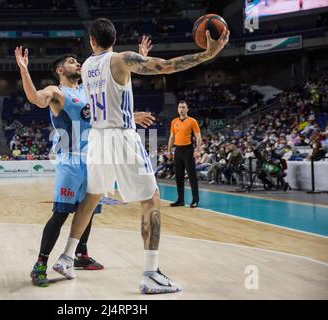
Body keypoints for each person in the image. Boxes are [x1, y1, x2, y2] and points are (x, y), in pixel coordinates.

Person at [53, 18, 229, 294]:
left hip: (97, 138)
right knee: (151, 200)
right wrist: (208, 53)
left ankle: (66, 257)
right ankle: (150, 274)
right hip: (121, 137)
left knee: (92, 196)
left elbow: (111, 87)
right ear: (114, 38)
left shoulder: (86, 67)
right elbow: (167, 66)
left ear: (91, 41)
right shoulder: (123, 59)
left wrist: (138, 61)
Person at [14, 38, 155, 287]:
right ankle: (40, 264)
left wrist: (132, 114)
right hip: (70, 161)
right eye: (71, 62)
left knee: (87, 212)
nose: (77, 64)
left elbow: (104, 115)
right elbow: (36, 98)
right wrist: (24, 70)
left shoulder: (88, 90)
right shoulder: (57, 92)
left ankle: (79, 255)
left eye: (77, 61)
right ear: (60, 70)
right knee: (61, 214)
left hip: (94, 157)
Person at [167, 101, 201, 207]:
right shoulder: (174, 122)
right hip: (178, 150)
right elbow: (172, 136)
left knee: (192, 176)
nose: (181, 109)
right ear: (177, 109)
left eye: (183, 107)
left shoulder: (192, 121)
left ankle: (195, 200)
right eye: (180, 107)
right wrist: (169, 150)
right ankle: (180, 200)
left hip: (188, 150)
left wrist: (198, 150)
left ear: (187, 109)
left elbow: (198, 136)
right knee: (179, 176)